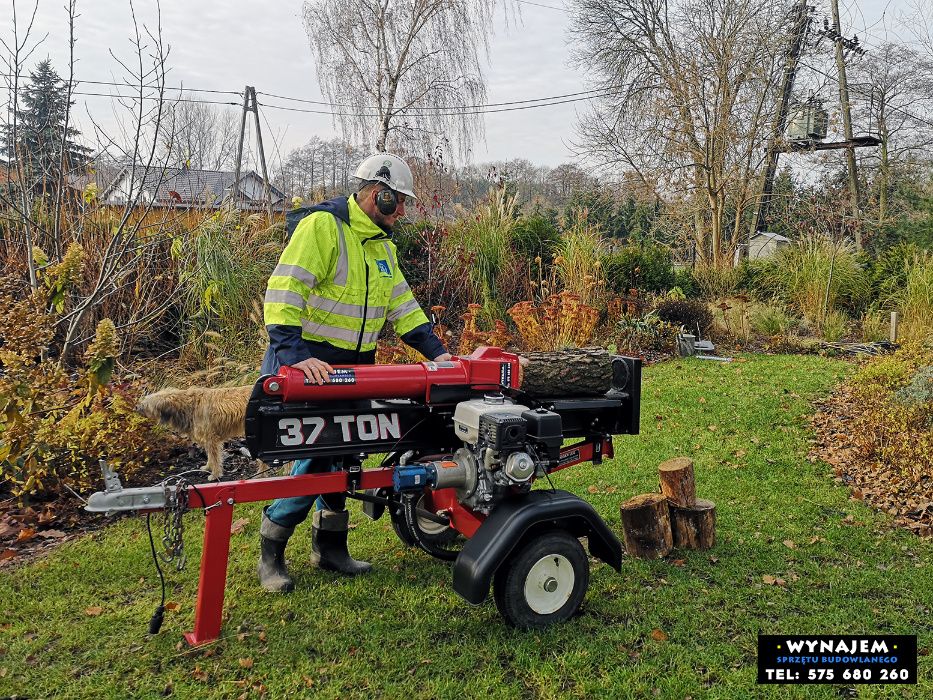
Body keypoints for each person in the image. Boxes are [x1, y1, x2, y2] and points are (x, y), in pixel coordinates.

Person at [258, 153, 452, 593]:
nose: (402, 211)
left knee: (346, 453)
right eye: (396, 201)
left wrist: (439, 356)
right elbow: (284, 291)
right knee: (316, 455)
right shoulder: (322, 228)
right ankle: (272, 547)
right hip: (310, 364)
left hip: (355, 367)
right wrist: (295, 356)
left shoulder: (382, 247)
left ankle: (330, 546)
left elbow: (404, 308)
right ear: (373, 193)